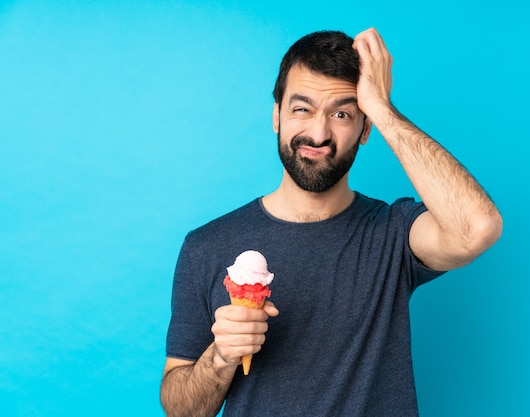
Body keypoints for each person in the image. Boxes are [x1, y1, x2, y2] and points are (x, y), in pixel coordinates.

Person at [160, 28, 502, 417]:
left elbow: (478, 228)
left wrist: (383, 108)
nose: (318, 133)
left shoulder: (394, 233)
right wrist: (220, 357)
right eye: (301, 108)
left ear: (366, 127)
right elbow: (180, 411)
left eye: (342, 114)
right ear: (276, 115)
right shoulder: (205, 246)